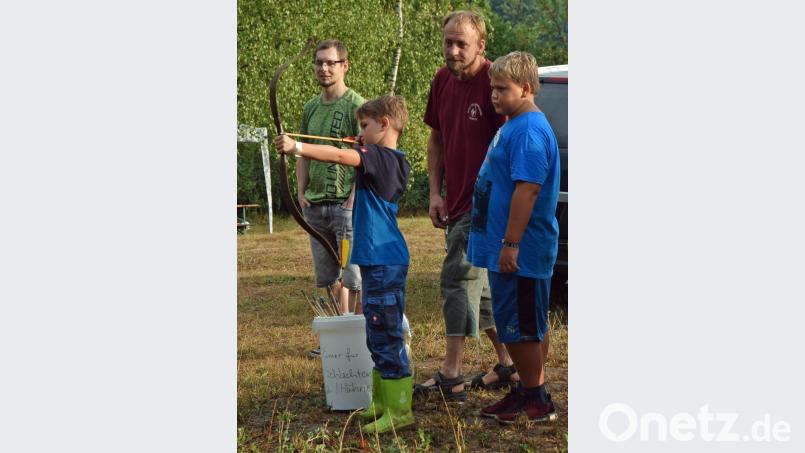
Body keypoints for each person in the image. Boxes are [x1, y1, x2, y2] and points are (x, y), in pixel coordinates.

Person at [274, 95, 415, 434]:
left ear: (384, 125)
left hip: (383, 257)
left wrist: (297, 148)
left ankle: (399, 410)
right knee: (378, 332)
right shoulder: (393, 160)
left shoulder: (379, 156)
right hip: (380, 257)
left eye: (365, 126)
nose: (360, 134)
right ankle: (382, 402)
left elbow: (339, 155)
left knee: (386, 331)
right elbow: (349, 156)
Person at [415, 9, 518, 401]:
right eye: (449, 42)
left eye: (462, 44)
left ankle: (451, 374)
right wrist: (435, 193)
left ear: (481, 45)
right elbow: (436, 139)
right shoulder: (441, 80)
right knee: (483, 290)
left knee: (457, 279)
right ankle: (506, 363)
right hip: (454, 200)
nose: (454, 51)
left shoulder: (496, 83)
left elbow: (507, 150)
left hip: (485, 205)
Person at [467, 51, 560, 424]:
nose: (493, 94)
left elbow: (528, 190)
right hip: (507, 246)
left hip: (521, 250)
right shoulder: (512, 124)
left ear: (526, 88)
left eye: (501, 88)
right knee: (521, 322)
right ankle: (526, 390)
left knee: (521, 326)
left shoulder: (530, 131)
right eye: (492, 87)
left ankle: (537, 400)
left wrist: (511, 243)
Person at [298, 40, 365, 357]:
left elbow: (366, 157)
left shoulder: (358, 106)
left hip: (345, 204)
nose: (323, 68)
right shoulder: (310, 107)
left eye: (330, 63)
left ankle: (357, 335)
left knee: (352, 274)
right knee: (327, 276)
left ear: (344, 66)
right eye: (319, 63)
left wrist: (353, 197)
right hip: (316, 205)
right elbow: (302, 153)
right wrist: (300, 192)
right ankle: (339, 334)